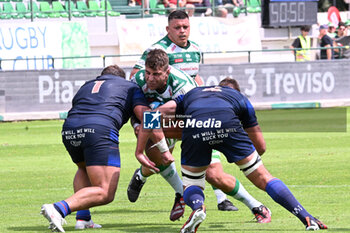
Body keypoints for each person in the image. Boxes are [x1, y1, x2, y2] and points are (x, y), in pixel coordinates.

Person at [146, 77, 328, 232]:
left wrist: (152, 149)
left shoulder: (192, 93)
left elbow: (151, 116)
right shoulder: (240, 98)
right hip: (229, 126)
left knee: (192, 183)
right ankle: (306, 217)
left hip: (195, 126)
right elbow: (261, 146)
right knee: (264, 177)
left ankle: (197, 207)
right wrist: (242, 153)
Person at [129, 49, 271, 224]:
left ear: (167, 71)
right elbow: (137, 113)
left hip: (196, 126)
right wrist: (140, 126)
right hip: (164, 124)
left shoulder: (184, 87)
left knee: (214, 175)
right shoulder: (137, 80)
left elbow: (195, 121)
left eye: (156, 74)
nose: (150, 78)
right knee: (154, 154)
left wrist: (153, 129)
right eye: (148, 73)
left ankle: (256, 206)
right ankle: (180, 192)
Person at [40, 65, 172, 232]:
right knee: (105, 191)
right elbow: (147, 115)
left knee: (83, 168)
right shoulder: (130, 87)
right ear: (121, 78)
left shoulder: (87, 85)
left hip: (69, 129)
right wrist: (164, 149)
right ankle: (58, 209)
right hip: (99, 129)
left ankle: (83, 218)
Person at [129, 10, 237, 212]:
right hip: (164, 112)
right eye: (177, 27)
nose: (181, 31)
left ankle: (221, 198)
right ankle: (143, 175)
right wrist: (145, 113)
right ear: (167, 29)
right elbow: (137, 76)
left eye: (185, 27)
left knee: (206, 144)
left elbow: (195, 76)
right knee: (160, 157)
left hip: (189, 109)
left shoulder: (195, 49)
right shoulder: (157, 49)